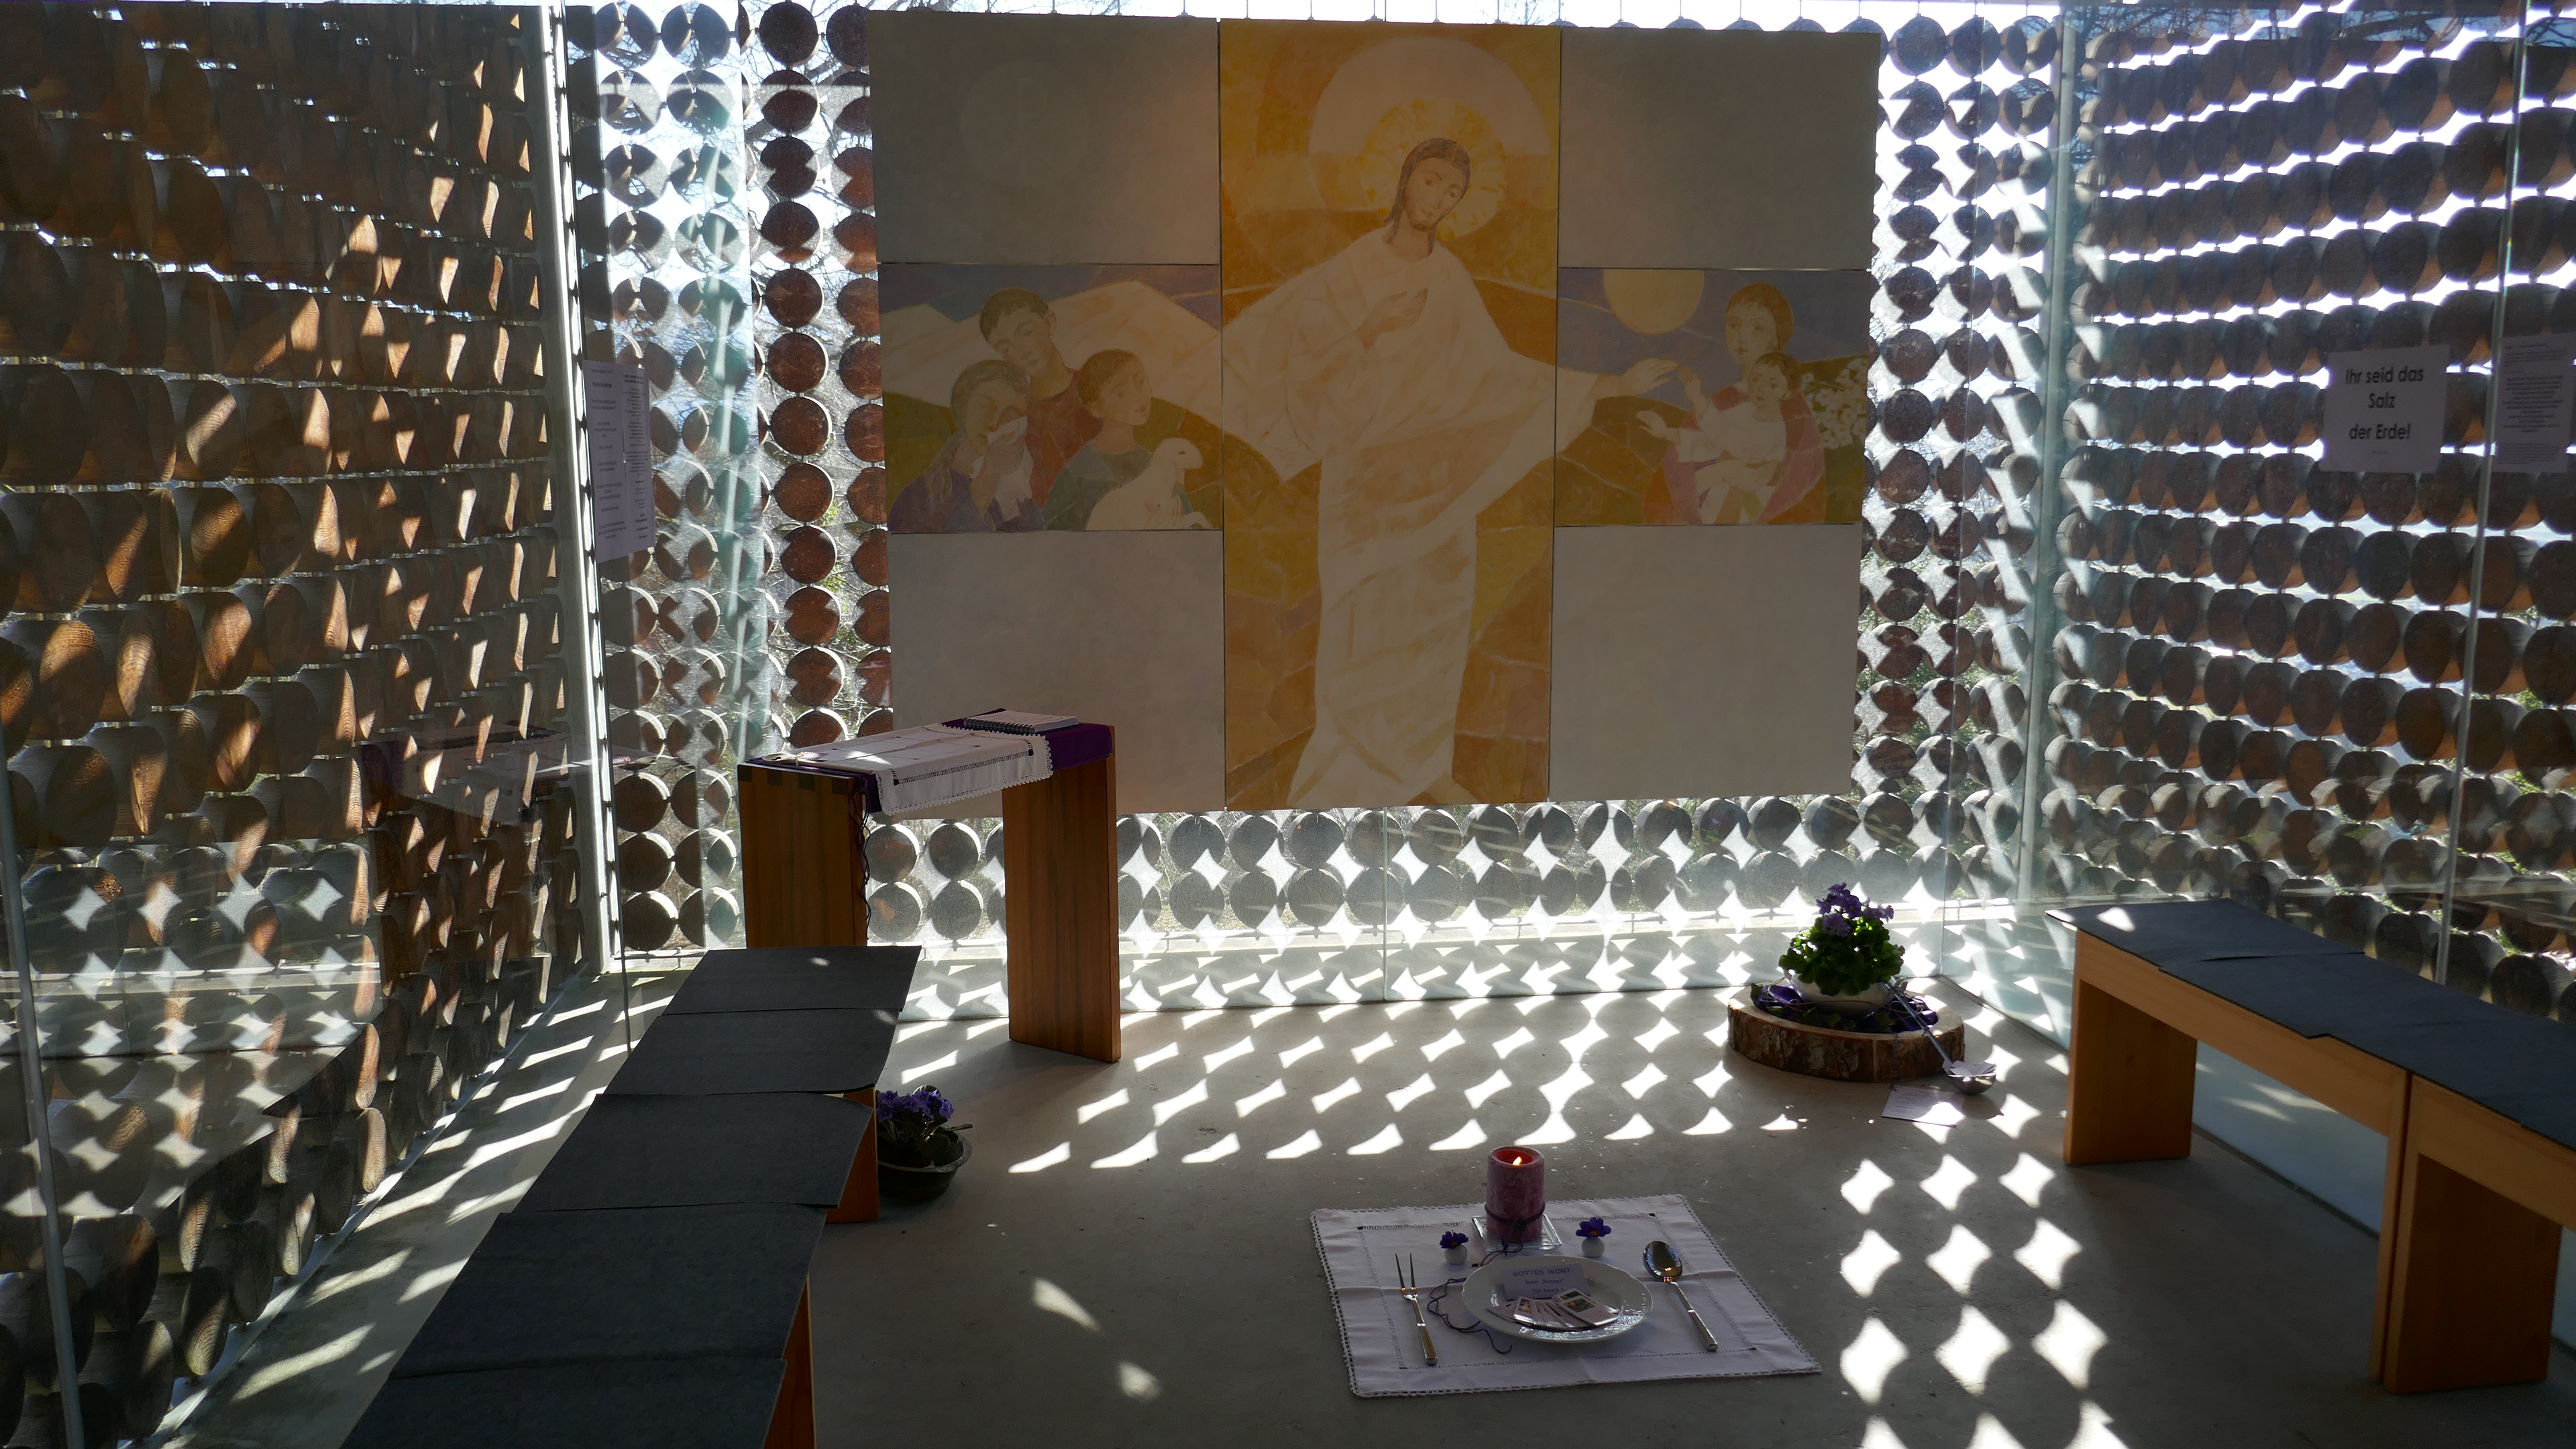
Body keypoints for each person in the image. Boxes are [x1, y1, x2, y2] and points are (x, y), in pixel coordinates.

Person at [1224, 137, 1673, 806]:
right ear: (1406, 179)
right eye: (1432, 181)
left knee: (1438, 623)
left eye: (1454, 192)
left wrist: (1607, 386)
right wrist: (1371, 328)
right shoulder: (1351, 270)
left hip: (1440, 483)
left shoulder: (1450, 279)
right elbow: (1305, 373)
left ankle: (1422, 766)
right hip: (1365, 485)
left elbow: (1496, 375)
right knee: (1363, 628)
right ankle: (1348, 772)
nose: (1439, 200)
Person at [1648, 282, 1827, 525]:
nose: (1741, 336)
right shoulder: (1725, 400)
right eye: (1734, 324)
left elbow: (1799, 485)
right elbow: (1686, 465)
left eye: (1757, 328)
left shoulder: (1793, 414)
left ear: (1777, 338)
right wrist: (1670, 434)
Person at [1640, 350, 1798, 524]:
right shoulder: (1743, 411)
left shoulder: (1776, 432)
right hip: (1718, 493)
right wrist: (1666, 432)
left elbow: (1732, 441)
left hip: (1746, 504)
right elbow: (1711, 443)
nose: (1760, 388)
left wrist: (1698, 400)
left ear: (1787, 393)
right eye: (1755, 379)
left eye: (1773, 385)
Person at [887, 358, 1042, 532]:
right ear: (964, 405)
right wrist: (989, 475)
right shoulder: (923, 496)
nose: (994, 423)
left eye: (1010, 416)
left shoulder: (1019, 501)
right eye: (985, 406)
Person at [979, 288, 1097, 507]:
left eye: (1026, 333)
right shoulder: (1019, 422)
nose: (1022, 352)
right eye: (1006, 347)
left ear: (1049, 323)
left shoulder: (1098, 389)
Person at [1047, 350, 1154, 529]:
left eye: (1141, 381)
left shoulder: (1153, 462)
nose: (1139, 396)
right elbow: (1049, 531)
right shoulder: (1080, 470)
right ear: (1096, 409)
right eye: (1121, 393)